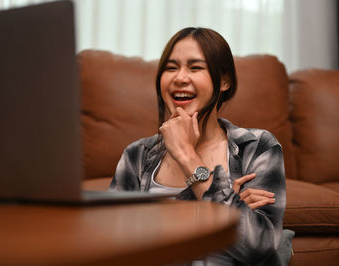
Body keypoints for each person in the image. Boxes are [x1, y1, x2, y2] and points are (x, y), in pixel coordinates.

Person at [109, 27, 289, 265]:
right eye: (171, 68)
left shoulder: (256, 147)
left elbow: (258, 244)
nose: (180, 78)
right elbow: (111, 241)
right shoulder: (136, 156)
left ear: (224, 81)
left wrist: (187, 156)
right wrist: (226, 206)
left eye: (195, 67)